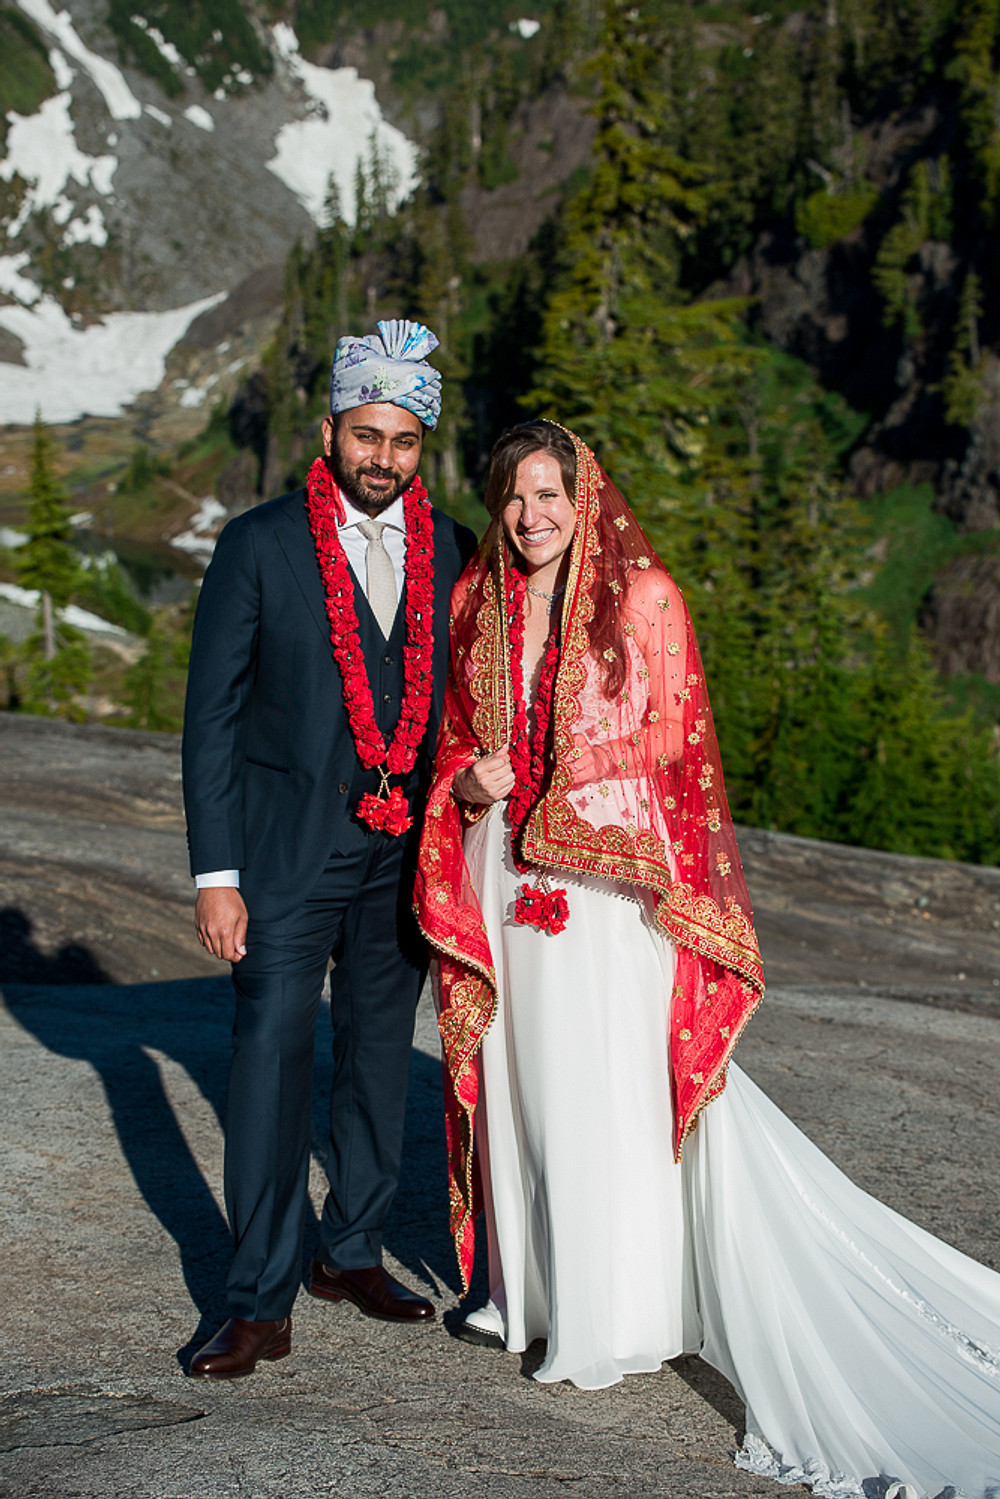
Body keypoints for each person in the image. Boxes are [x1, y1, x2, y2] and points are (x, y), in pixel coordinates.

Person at [414, 420, 1000, 1496]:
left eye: (549, 494)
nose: (530, 516)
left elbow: (675, 739)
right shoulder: (473, 604)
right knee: (520, 1080)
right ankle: (530, 1291)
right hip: (506, 867)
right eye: (512, 497)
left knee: (599, 1084)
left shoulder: (642, 599)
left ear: (584, 499)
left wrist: (572, 772)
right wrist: (468, 782)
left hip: (603, 883)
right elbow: (455, 729)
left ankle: (610, 1310)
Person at [182, 319, 476, 1379]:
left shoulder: (448, 546)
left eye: (402, 440)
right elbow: (209, 716)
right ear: (330, 431)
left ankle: (348, 1247)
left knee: (376, 1057)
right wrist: (216, 874)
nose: (382, 458)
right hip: (280, 855)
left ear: (419, 447)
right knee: (266, 1058)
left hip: (399, 857)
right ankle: (257, 1296)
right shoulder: (258, 544)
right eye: (366, 435)